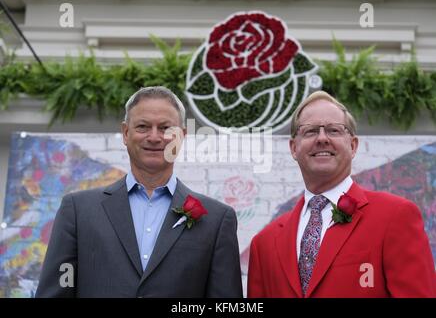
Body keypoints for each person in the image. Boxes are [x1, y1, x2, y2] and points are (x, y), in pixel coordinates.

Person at [36, 86, 242, 297]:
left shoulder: (217, 220)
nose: (154, 137)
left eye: (165, 128)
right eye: (143, 126)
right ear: (126, 133)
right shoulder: (78, 210)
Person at [247, 90, 435, 298]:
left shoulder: (395, 216)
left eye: (333, 130)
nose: (322, 138)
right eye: (309, 131)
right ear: (293, 148)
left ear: (353, 145)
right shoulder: (264, 243)